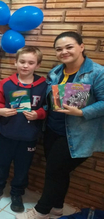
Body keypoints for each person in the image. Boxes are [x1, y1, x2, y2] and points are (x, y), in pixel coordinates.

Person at [16, 32, 104, 219]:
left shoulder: (97, 72)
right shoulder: (56, 72)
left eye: (69, 47)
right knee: (60, 173)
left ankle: (41, 211)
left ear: (81, 46)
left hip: (76, 134)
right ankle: (57, 208)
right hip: (52, 130)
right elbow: (50, 100)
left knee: (54, 172)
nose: (64, 52)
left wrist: (81, 112)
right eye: (59, 49)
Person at [0, 46, 47, 213]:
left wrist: (38, 114)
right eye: (22, 62)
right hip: (7, 132)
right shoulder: (7, 83)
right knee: (2, 164)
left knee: (22, 167)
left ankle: (17, 193)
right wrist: (0, 111)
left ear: (38, 65)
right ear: (15, 62)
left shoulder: (44, 85)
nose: (25, 65)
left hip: (29, 135)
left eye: (30, 63)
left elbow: (48, 107)